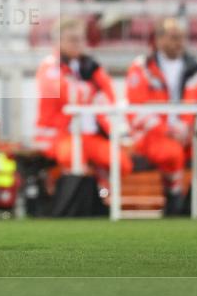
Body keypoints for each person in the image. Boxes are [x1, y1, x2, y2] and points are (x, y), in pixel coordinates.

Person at [126, 17, 197, 215]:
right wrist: (167, 129)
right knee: (172, 153)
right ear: (158, 40)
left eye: (182, 38)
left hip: (188, 133)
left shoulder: (195, 70)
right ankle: (174, 197)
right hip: (152, 135)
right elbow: (136, 109)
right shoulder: (142, 68)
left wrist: (194, 128)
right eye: (174, 37)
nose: (179, 43)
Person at [34, 17, 132, 191]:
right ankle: (67, 199)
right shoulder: (49, 66)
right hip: (61, 135)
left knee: (121, 162)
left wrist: (87, 91)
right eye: (72, 40)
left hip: (92, 135)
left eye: (80, 39)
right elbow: (67, 96)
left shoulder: (91, 66)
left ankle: (101, 199)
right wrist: (91, 91)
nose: (77, 44)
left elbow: (109, 97)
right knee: (73, 159)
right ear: (58, 42)